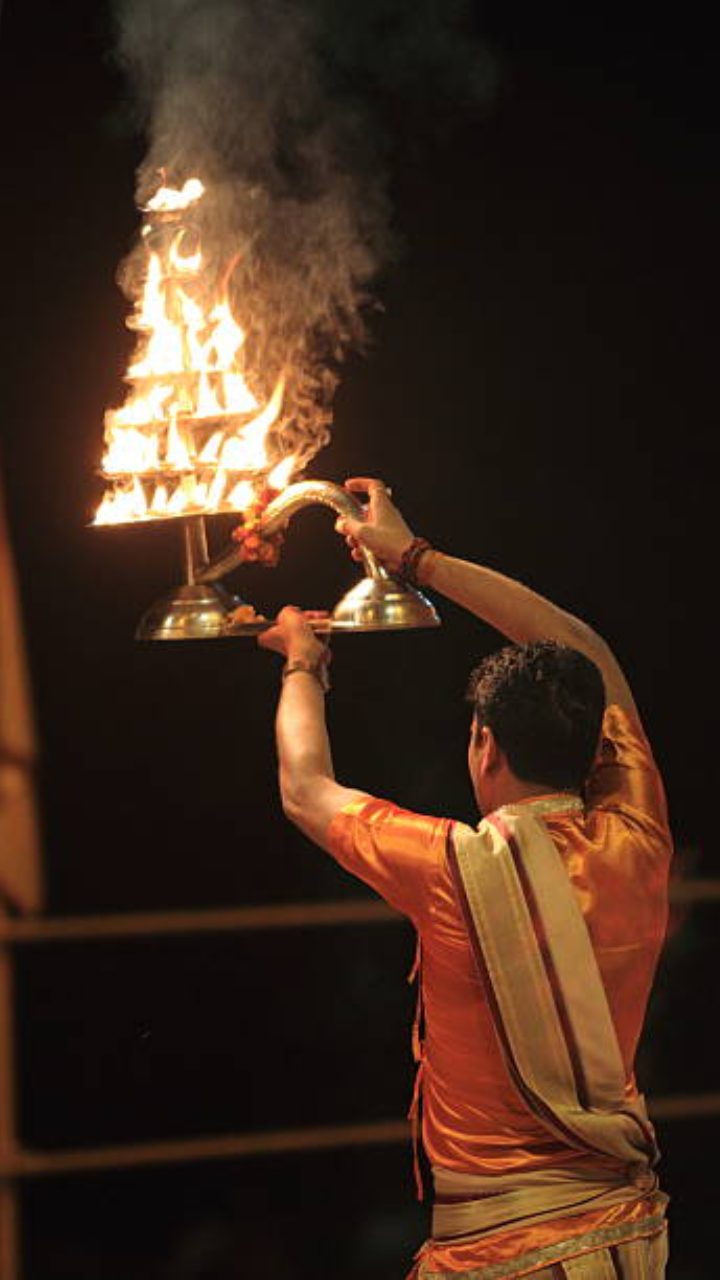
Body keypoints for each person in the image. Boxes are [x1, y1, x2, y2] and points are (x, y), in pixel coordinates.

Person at [258, 477, 671, 1279]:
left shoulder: (454, 867)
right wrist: (418, 558)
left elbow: (304, 790)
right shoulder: (639, 835)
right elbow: (590, 654)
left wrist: (301, 663)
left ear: (483, 745)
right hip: (627, 1242)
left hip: (500, 1258)